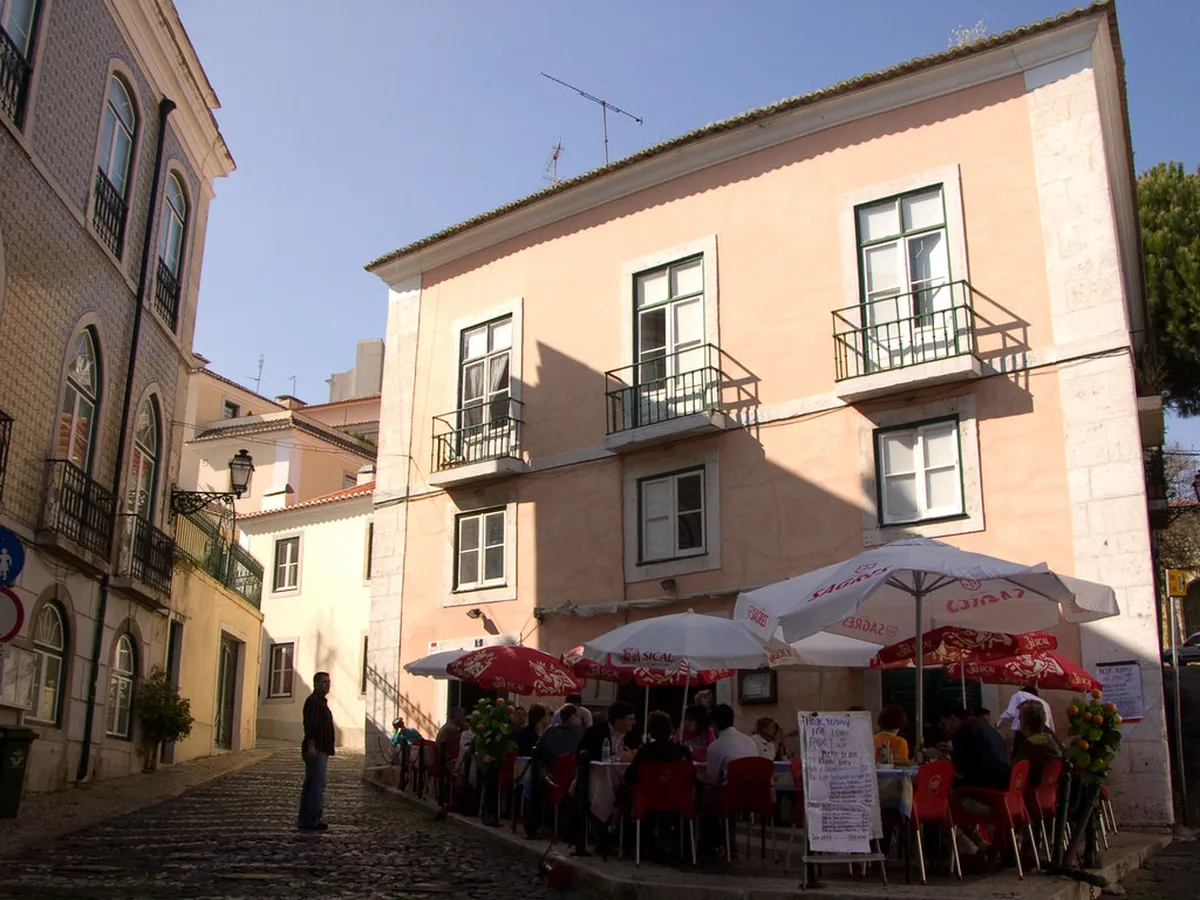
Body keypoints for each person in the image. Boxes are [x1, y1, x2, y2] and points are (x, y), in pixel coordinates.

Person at [935, 699, 1011, 790]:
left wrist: (939, 757)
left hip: (985, 789)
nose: (945, 730)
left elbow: (961, 771)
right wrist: (953, 752)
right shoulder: (982, 727)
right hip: (1002, 782)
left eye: (944, 725)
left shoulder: (964, 732)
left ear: (952, 718)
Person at [299, 671, 335, 831]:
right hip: (317, 748)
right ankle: (312, 820)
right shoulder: (314, 702)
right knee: (315, 785)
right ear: (316, 684)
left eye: (328, 682)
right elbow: (311, 727)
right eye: (323, 682)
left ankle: (306, 819)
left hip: (321, 748)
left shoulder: (321, 702)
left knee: (311, 784)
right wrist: (311, 746)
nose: (327, 685)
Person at [626, 711, 694, 784]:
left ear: (651, 730)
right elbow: (692, 777)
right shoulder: (683, 751)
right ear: (671, 729)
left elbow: (629, 777)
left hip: (649, 793)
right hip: (677, 793)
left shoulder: (644, 751)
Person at [1012, 699, 1063, 786]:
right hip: (1048, 793)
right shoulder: (1050, 741)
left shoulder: (1029, 746)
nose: (1018, 721)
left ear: (1025, 724)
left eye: (1020, 717)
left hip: (1030, 793)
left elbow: (1014, 771)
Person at [706, 703, 758, 782]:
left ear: (713, 724)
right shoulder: (750, 741)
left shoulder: (715, 747)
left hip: (731, 790)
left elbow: (712, 777)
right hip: (754, 789)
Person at [535, 703, 585, 770]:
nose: (581, 720)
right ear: (572, 717)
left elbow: (538, 749)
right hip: (573, 773)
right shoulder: (582, 732)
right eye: (579, 717)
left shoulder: (549, 730)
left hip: (550, 772)